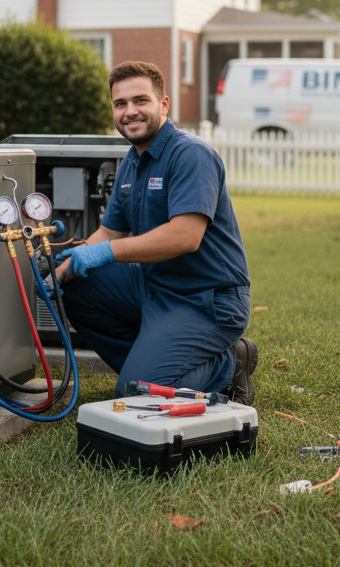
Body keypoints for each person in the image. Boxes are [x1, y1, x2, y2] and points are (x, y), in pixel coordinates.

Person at [55, 60, 257, 403]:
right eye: (120, 104)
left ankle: (229, 363)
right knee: (76, 285)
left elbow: (185, 236)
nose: (130, 112)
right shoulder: (132, 162)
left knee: (137, 395)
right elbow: (109, 231)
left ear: (163, 104)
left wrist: (103, 253)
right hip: (156, 287)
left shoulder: (190, 154)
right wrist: (58, 273)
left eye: (140, 101)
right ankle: (152, 364)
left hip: (207, 299)